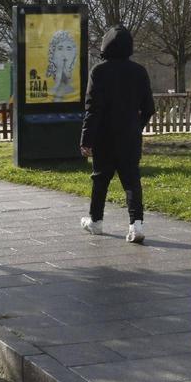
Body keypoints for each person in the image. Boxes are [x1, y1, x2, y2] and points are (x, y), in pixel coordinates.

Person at [79, 26, 155, 244]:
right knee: (131, 180)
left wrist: (86, 139)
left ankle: (96, 221)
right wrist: (136, 127)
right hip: (129, 136)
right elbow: (149, 107)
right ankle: (136, 224)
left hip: (104, 136)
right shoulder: (139, 72)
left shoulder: (98, 72)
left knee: (100, 179)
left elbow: (92, 109)